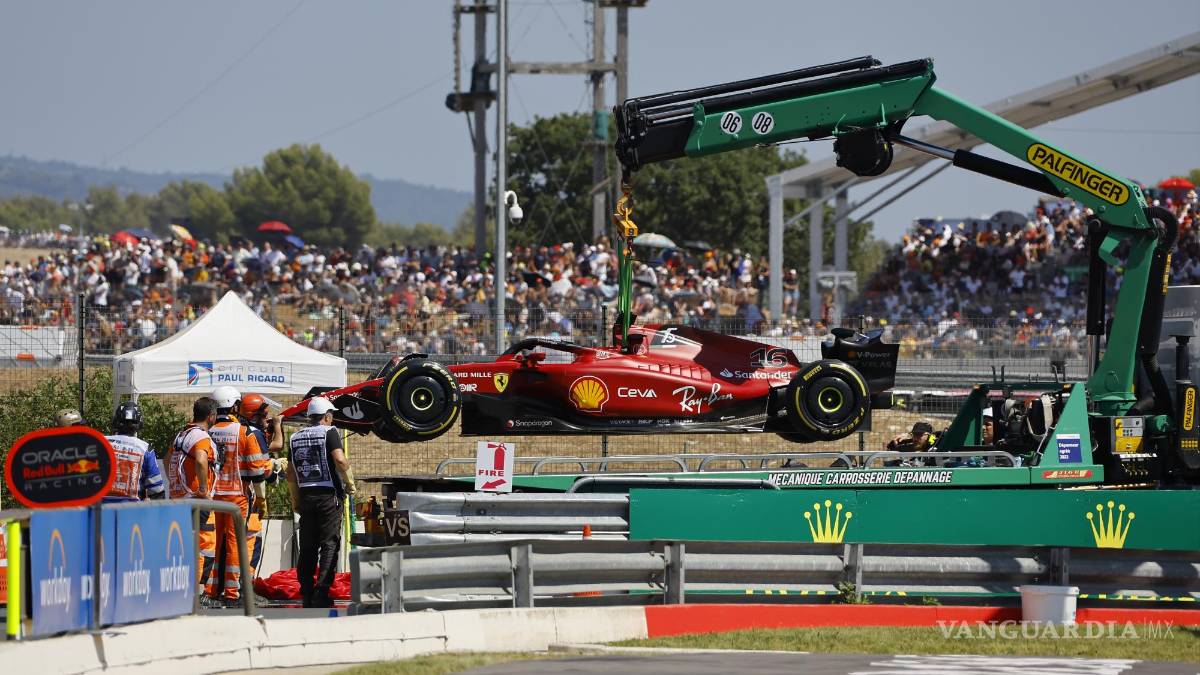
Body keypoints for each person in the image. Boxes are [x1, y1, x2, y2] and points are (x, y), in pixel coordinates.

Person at [287, 397, 357, 608]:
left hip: (306, 497)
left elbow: (291, 474)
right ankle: (322, 592)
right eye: (331, 415)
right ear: (327, 416)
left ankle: (306, 593)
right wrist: (350, 483)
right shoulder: (330, 432)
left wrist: (295, 498)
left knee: (308, 546)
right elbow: (340, 460)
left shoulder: (296, 436)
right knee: (329, 544)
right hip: (328, 496)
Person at [207, 386, 272, 606]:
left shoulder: (208, 430)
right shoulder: (244, 432)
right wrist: (271, 468)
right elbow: (257, 470)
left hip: (213, 495)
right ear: (235, 405)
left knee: (215, 544)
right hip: (238, 496)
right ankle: (233, 593)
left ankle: (212, 590)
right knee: (236, 544)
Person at [168, 397, 219, 594]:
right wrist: (203, 489)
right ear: (211, 416)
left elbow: (166, 460)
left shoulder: (181, 435)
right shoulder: (202, 437)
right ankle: (197, 593)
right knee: (205, 545)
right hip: (198, 501)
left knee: (183, 545)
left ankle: (180, 589)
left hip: (180, 498)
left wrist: (177, 487)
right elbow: (200, 460)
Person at [238, 392, 286, 580]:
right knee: (252, 541)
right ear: (254, 416)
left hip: (229, 495)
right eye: (264, 416)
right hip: (248, 495)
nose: (266, 420)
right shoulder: (254, 434)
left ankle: (232, 587)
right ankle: (246, 586)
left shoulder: (238, 430)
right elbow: (262, 469)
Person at [103, 401, 165, 503]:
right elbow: (156, 490)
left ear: (116, 421)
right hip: (132, 511)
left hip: (100, 511)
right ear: (139, 423)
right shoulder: (145, 449)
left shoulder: (101, 442)